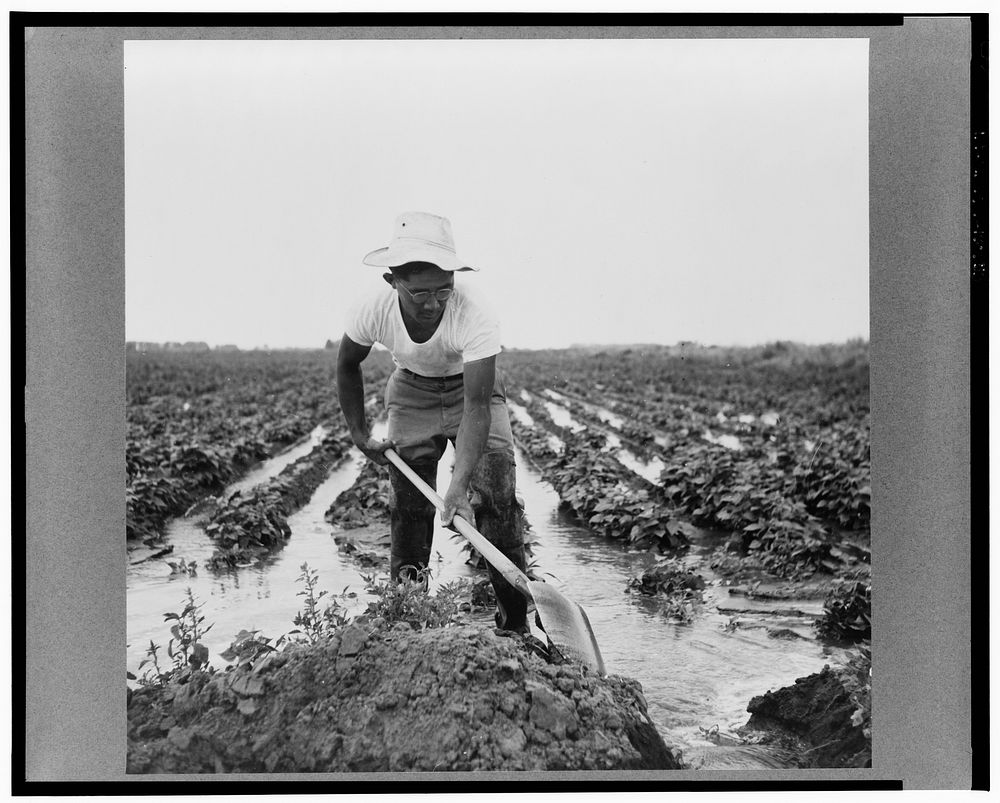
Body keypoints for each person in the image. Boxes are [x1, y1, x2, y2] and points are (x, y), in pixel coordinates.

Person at [336, 211, 529, 633]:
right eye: (420, 293)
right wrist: (357, 432)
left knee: (496, 494)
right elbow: (348, 364)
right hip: (411, 389)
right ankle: (408, 618)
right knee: (409, 505)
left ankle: (515, 624)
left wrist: (459, 487)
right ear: (393, 282)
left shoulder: (475, 311)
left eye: (444, 290)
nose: (433, 303)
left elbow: (477, 407)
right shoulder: (373, 307)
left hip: (469, 389)